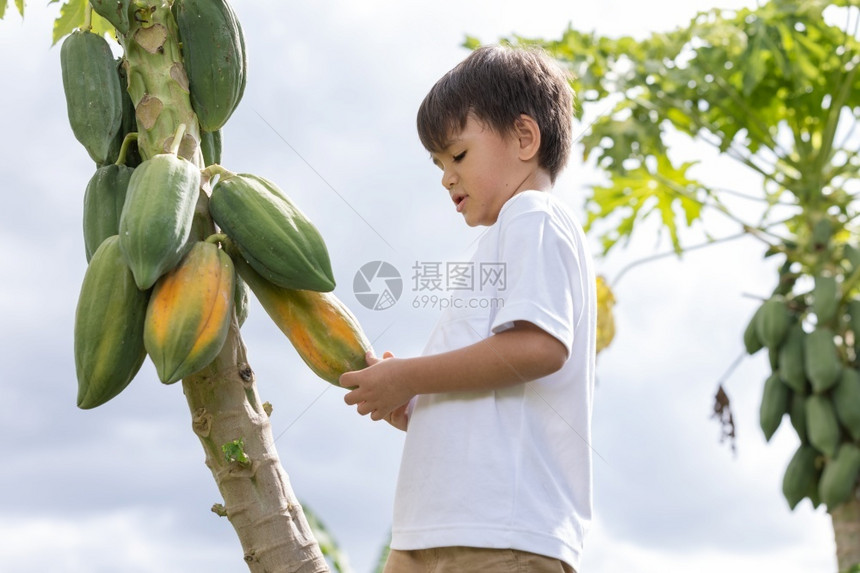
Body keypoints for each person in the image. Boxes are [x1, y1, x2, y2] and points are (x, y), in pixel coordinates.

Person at [340, 44, 596, 573]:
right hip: (433, 530)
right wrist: (414, 405)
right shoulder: (501, 242)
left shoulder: (532, 215)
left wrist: (410, 374)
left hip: (499, 534)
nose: (445, 177)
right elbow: (494, 392)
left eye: (457, 156)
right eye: (437, 164)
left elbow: (539, 347)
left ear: (525, 138)